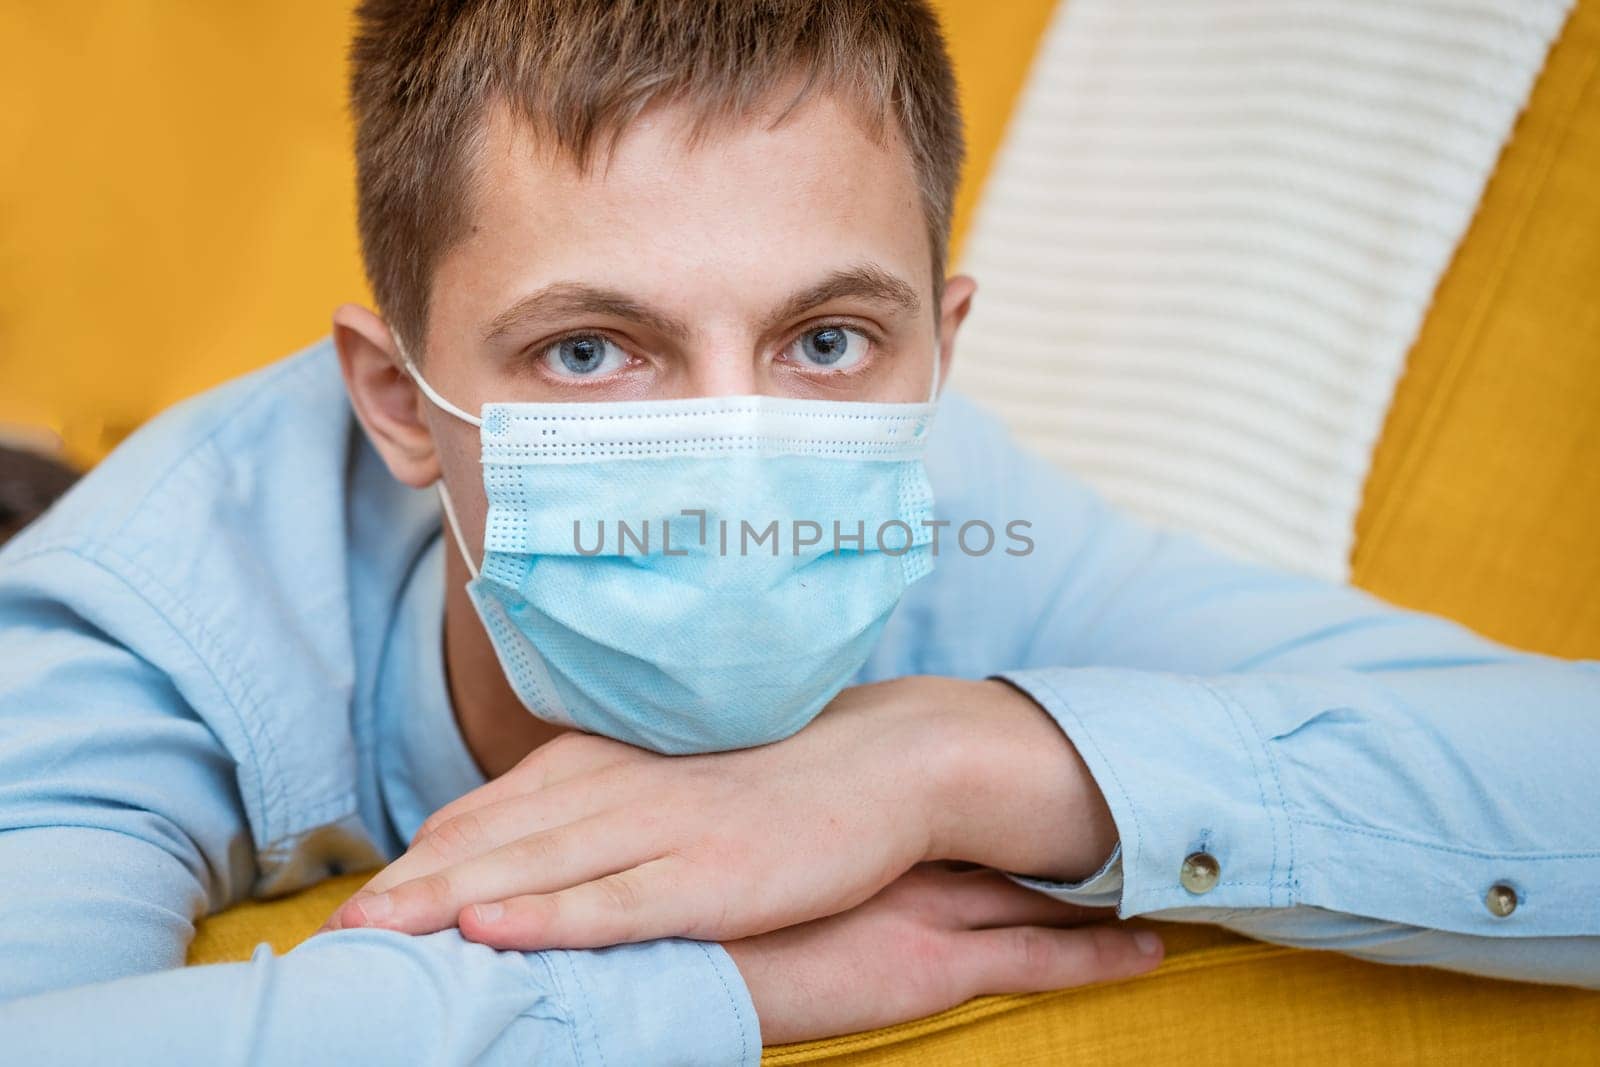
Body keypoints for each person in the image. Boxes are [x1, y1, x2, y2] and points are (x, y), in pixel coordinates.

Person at [1, 1, 1596, 1062]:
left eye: (825, 340)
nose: (732, 473)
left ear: (941, 352)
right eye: (590, 349)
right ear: (401, 400)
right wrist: (709, 989)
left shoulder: (968, 502)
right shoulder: (146, 618)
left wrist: (960, 761)